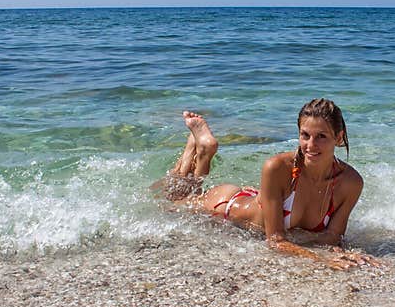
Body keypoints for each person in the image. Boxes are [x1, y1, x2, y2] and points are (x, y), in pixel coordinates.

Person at [161, 98, 379, 270]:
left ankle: (199, 148)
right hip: (227, 206)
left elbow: (332, 237)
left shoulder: (350, 182)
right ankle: (198, 149)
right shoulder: (277, 167)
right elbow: (275, 241)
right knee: (172, 200)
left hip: (258, 199)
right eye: (305, 135)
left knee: (186, 190)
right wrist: (321, 260)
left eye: (321, 136)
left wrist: (347, 254)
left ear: (339, 138)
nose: (311, 145)